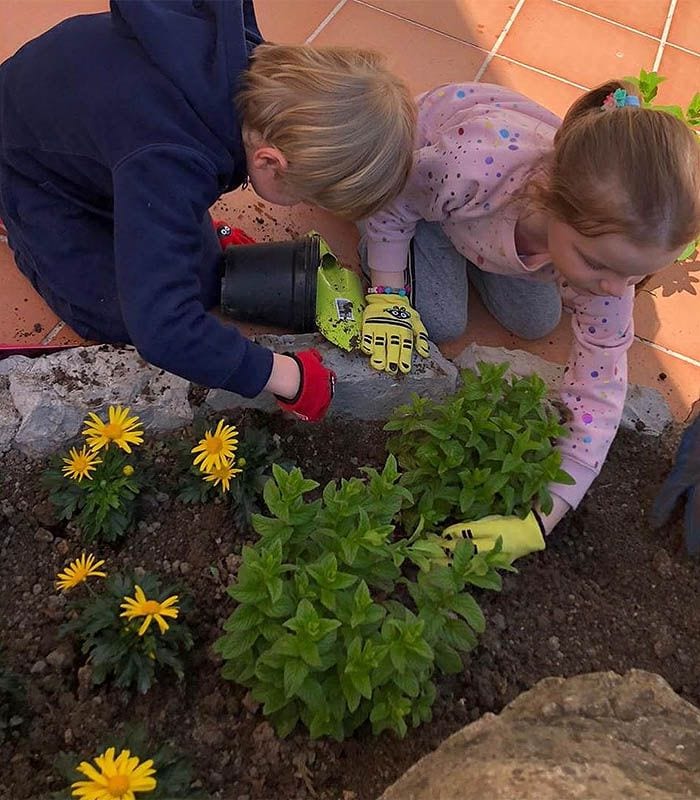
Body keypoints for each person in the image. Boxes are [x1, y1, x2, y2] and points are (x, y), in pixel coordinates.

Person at [0, 0, 415, 422]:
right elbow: (162, 332)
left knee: (201, 278)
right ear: (271, 162)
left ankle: (147, 216)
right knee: (118, 313)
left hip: (98, 128)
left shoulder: (245, 69)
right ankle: (22, 225)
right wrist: (283, 374)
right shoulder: (169, 159)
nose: (304, 205)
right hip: (31, 165)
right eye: (307, 196)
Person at [359, 79, 700, 554]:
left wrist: (542, 521)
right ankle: (433, 249)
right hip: (427, 190)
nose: (613, 289)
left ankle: (484, 250)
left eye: (634, 276)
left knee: (538, 322)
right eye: (599, 265)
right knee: (440, 321)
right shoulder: (468, 168)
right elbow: (397, 198)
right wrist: (387, 292)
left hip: (504, 226)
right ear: (548, 197)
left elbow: (599, 389)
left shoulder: (604, 262)